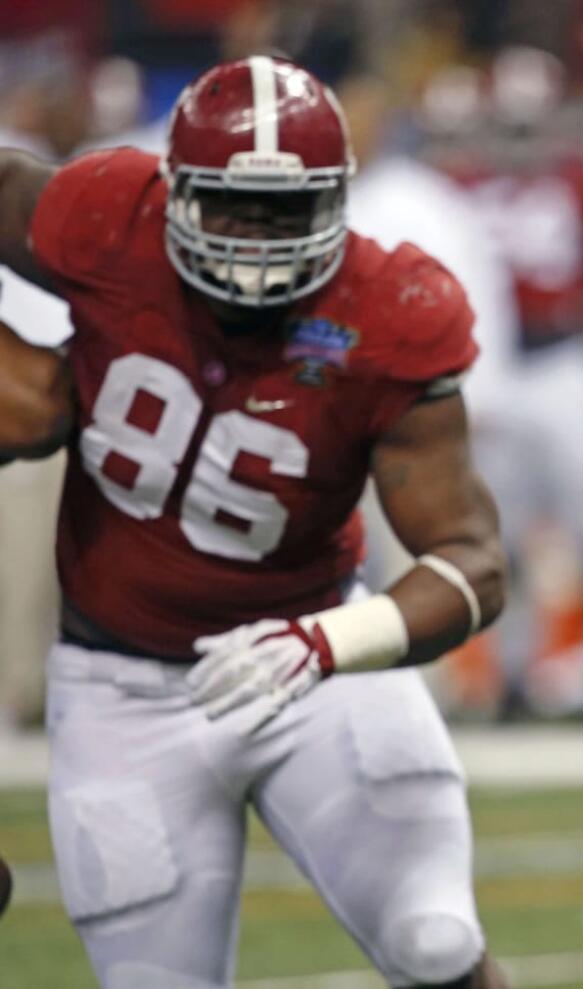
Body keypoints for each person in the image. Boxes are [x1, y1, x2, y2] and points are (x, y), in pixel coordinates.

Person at [0, 56, 508, 989]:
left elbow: (474, 563)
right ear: (175, 187)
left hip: (311, 659)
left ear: (340, 200)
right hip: (119, 686)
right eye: (233, 206)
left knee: (433, 942)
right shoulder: (107, 213)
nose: (259, 240)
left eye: (288, 209)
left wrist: (326, 641)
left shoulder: (391, 305)